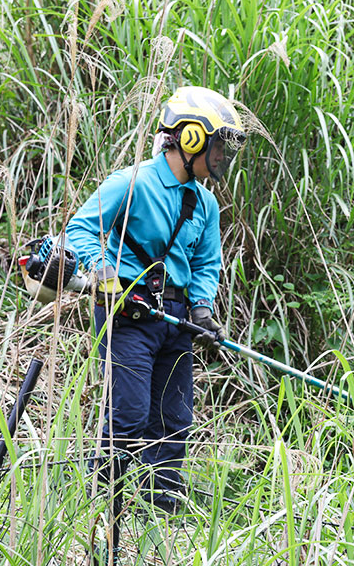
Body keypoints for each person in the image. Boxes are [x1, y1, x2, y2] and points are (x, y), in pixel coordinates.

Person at [66, 86, 247, 512]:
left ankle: (160, 515)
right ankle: (105, 514)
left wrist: (202, 308)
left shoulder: (205, 203)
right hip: (127, 312)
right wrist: (101, 269)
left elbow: (206, 263)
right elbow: (79, 230)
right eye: (219, 145)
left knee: (174, 421)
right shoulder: (131, 183)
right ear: (190, 139)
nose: (223, 157)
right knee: (127, 417)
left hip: (176, 320)